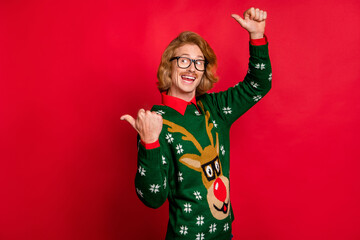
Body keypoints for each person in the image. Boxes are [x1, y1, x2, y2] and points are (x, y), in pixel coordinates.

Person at [121, 7, 271, 240]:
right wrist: (149, 142)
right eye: (184, 60)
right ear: (168, 67)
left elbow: (258, 85)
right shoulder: (154, 123)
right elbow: (152, 198)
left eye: (199, 63)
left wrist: (257, 35)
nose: (192, 68)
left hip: (224, 235)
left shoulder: (215, 108)